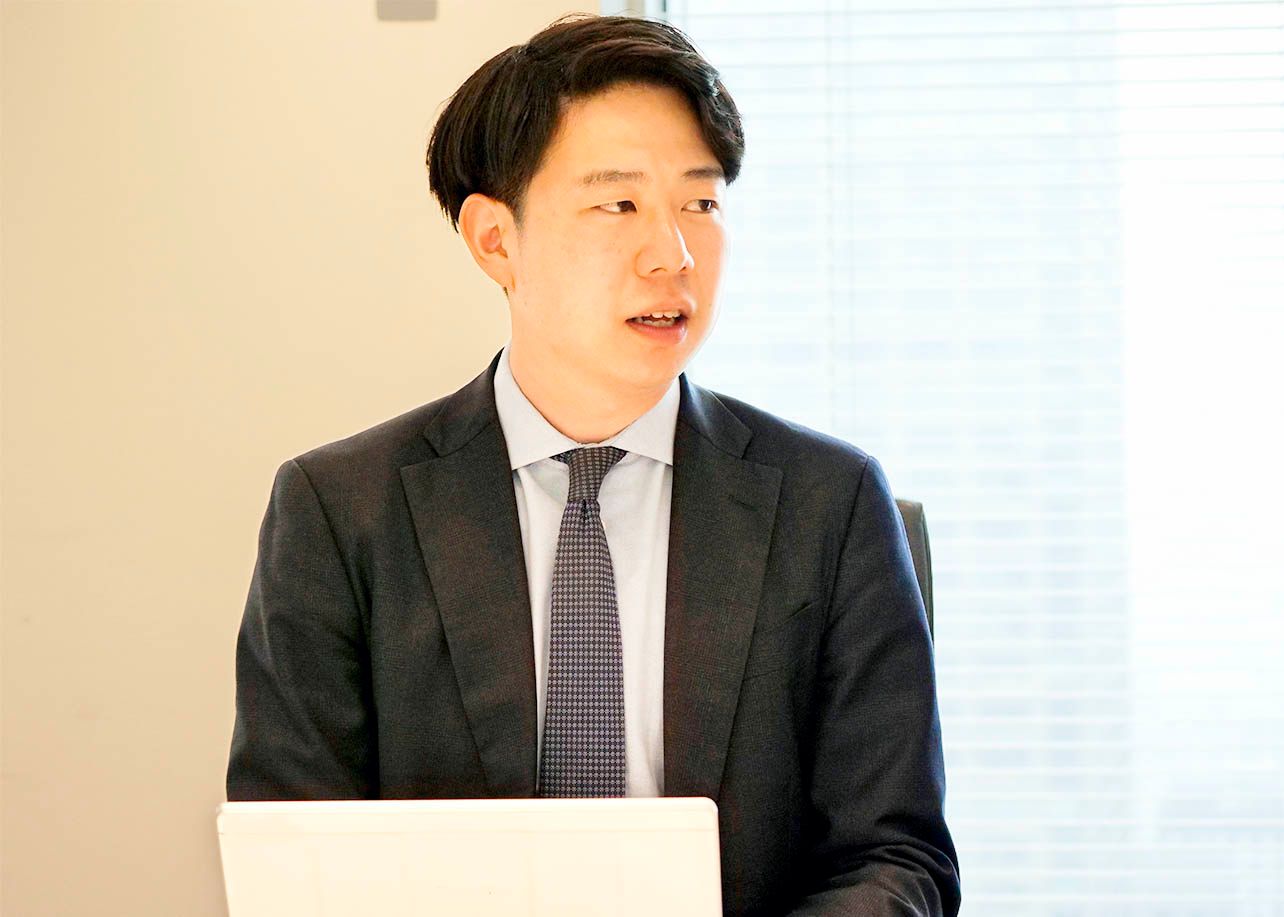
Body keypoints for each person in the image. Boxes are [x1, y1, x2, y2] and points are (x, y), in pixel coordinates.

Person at [226, 13, 960, 916]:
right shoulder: (341, 511)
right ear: (495, 238)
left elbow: (895, 858)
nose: (674, 254)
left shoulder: (829, 504)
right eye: (620, 205)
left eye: (700, 203)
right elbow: (294, 858)